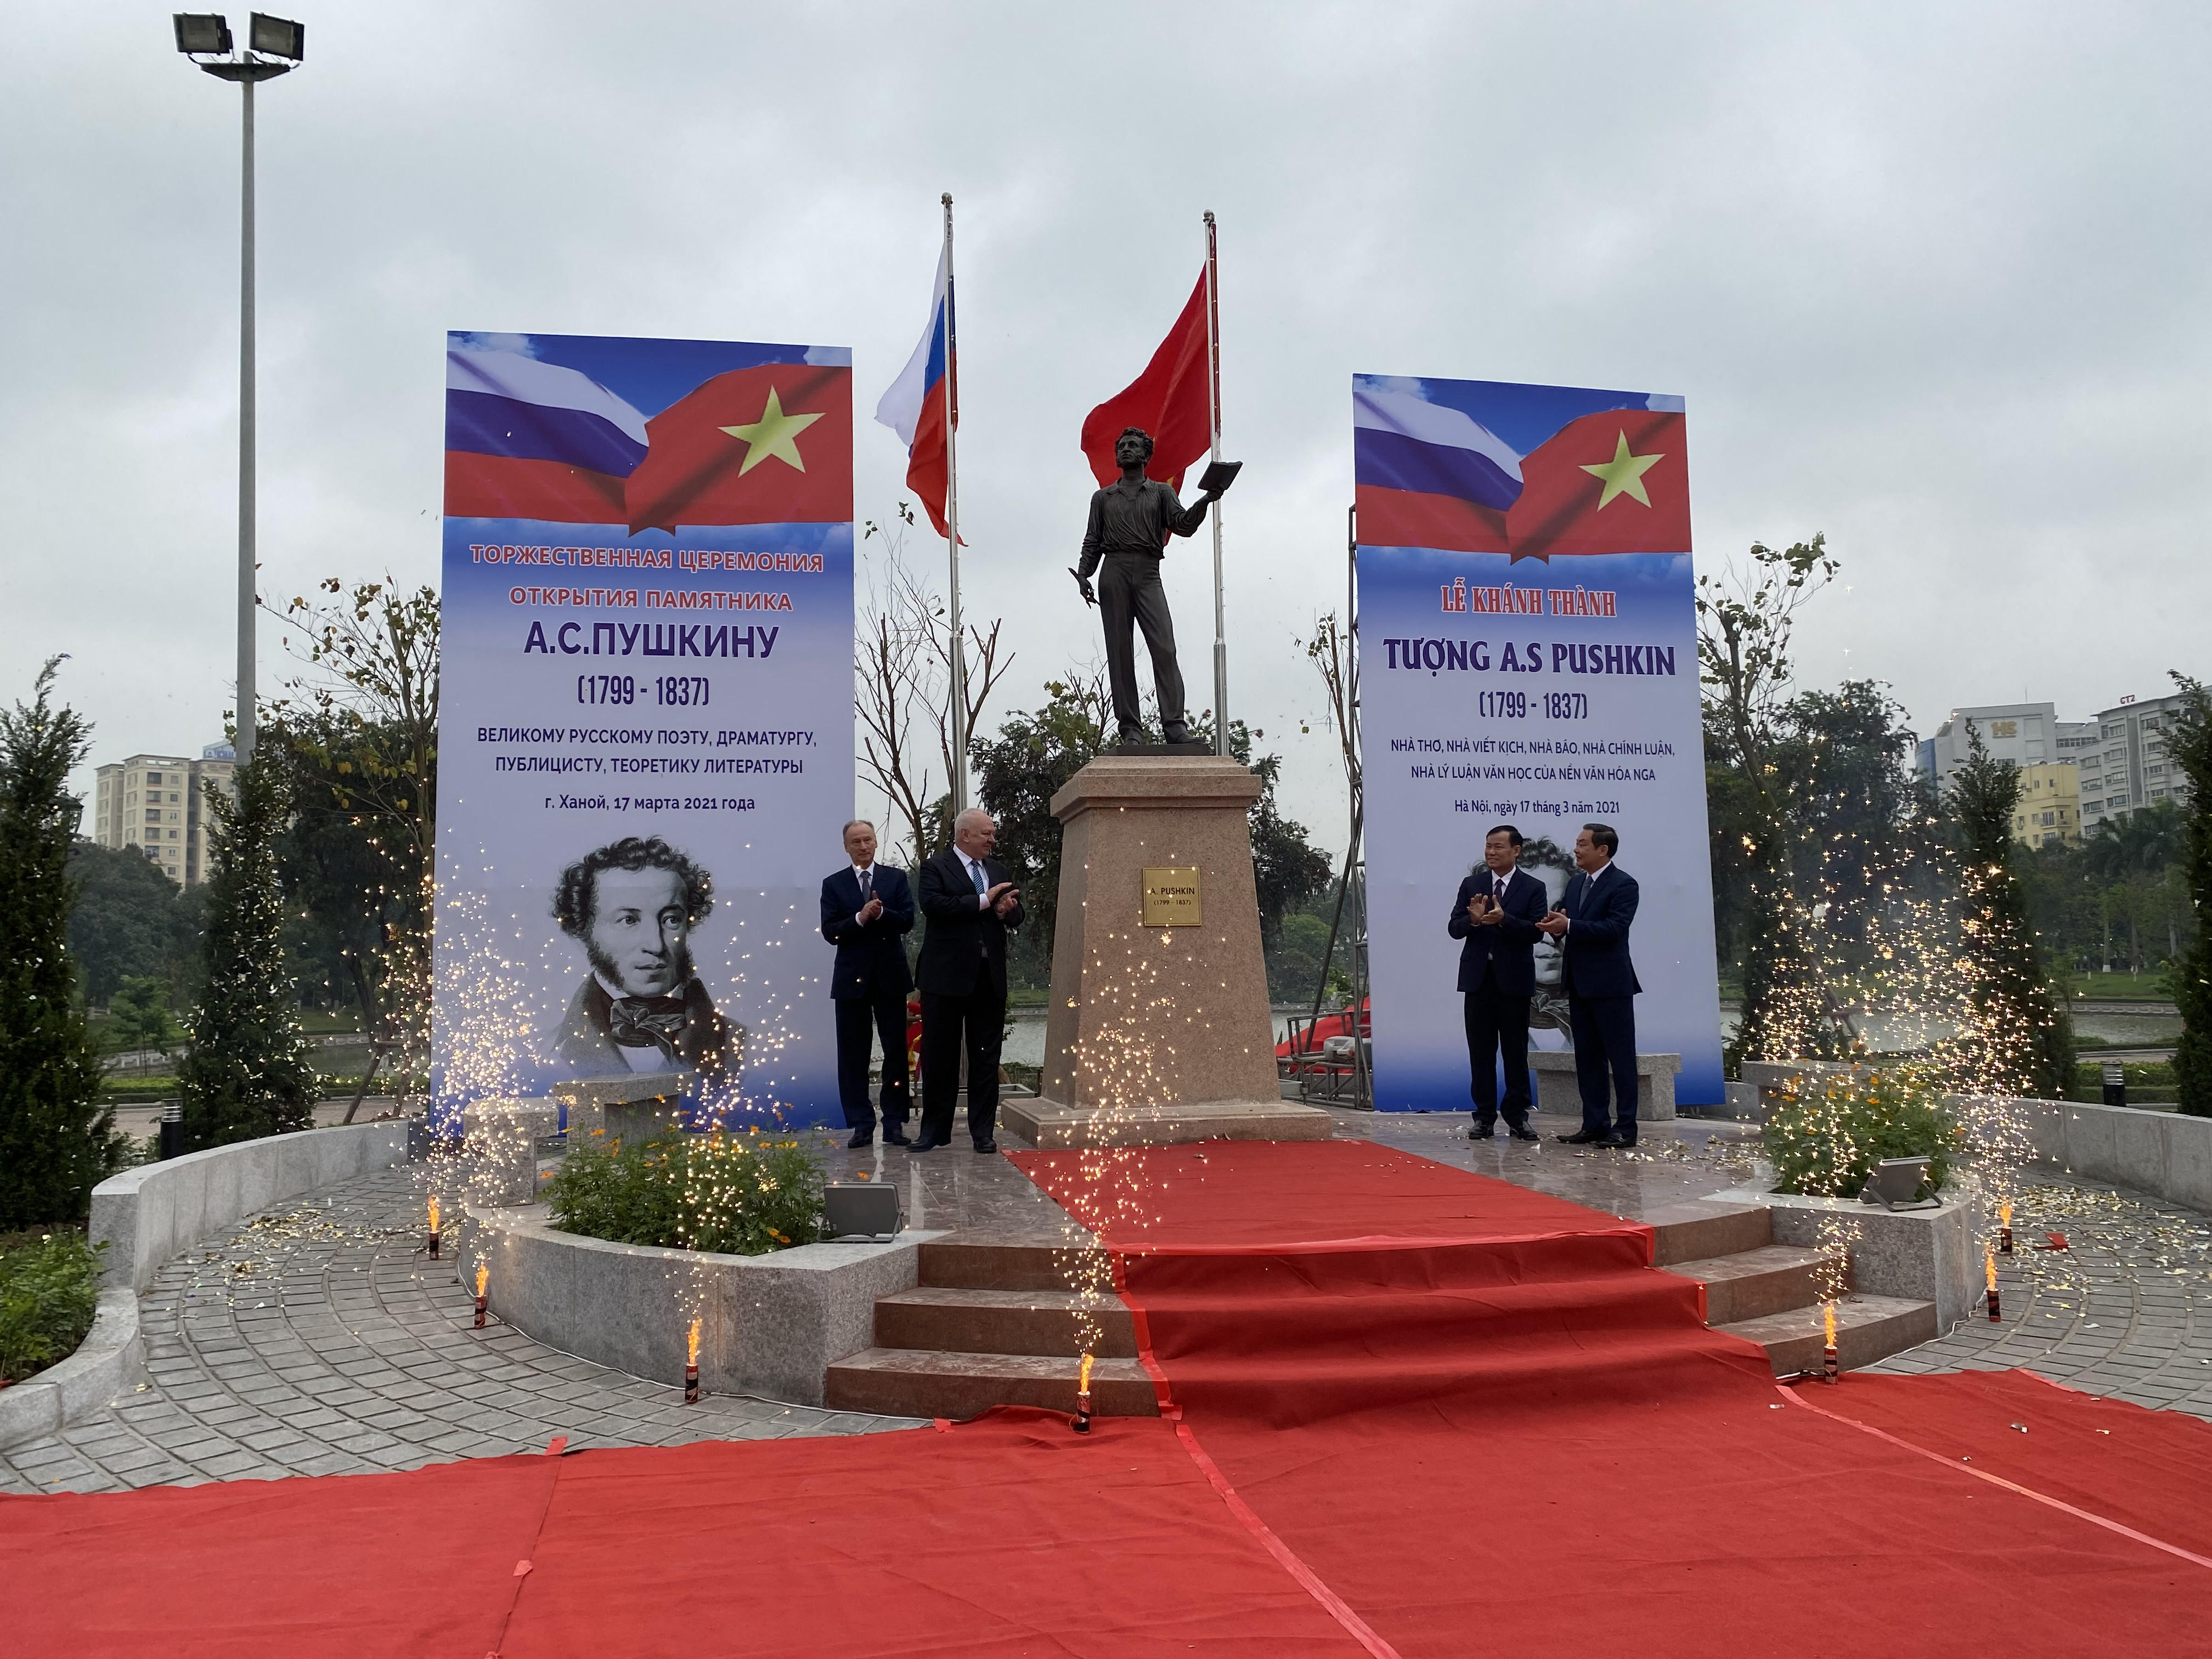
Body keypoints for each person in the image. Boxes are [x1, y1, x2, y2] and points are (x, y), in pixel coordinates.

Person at [546, 835, 744, 1084]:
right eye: (628, 920)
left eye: (671, 920)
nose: (656, 945)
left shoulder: (741, 1044)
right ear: (583, 930)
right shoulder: (545, 1052)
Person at [1070, 427, 1224, 746]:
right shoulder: (1102, 498)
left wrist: (1207, 500)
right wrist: (1085, 574)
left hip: (1148, 573)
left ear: (1146, 454)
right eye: (1122, 445)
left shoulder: (1161, 493)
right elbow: (1093, 541)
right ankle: (1130, 730)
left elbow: (1182, 526)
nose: (1126, 449)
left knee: (1165, 648)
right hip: (1113, 573)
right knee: (1120, 652)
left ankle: (1175, 726)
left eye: (1133, 445)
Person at [912, 808, 1024, 1153]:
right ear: (965, 835)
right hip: (944, 979)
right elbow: (935, 907)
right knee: (940, 1057)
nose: (993, 840)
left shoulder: (999, 870)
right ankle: (934, 1133)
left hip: (988, 980)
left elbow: (1015, 914)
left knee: (985, 1059)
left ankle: (983, 1133)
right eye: (986, 834)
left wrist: (1007, 910)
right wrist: (983, 901)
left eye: (992, 833)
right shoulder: (935, 868)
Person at [1536, 822, 1643, 1148]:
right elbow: (1572, 927)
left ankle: (1626, 1127)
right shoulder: (1576, 884)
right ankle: (1595, 1123)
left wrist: (1571, 924)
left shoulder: (1624, 884)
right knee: (1588, 1058)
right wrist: (1556, 928)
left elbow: (1614, 928)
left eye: (1582, 844)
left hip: (1611, 985)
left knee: (1620, 1059)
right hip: (1579, 984)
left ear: (1603, 850)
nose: (1576, 850)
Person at [819, 820, 916, 1149]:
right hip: (850, 981)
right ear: (846, 847)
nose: (863, 846)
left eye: (868, 840)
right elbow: (830, 932)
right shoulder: (834, 884)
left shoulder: (895, 878)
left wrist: (881, 912)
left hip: (890, 978)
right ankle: (861, 1123)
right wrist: (860, 918)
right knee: (853, 1055)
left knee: (895, 1053)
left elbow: (908, 920)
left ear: (876, 843)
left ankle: (894, 1122)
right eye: (856, 842)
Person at [1447, 824, 1547, 1141]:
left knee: (1515, 1053)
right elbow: (1454, 928)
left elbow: (1536, 931)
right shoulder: (1472, 884)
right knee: (1481, 1052)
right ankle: (1484, 1118)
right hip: (1479, 981)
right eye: (1488, 846)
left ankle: (1518, 1116)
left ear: (1516, 851)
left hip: (1514, 981)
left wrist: (1505, 920)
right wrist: (1474, 920)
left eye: (1498, 847)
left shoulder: (1533, 887)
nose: (1491, 852)